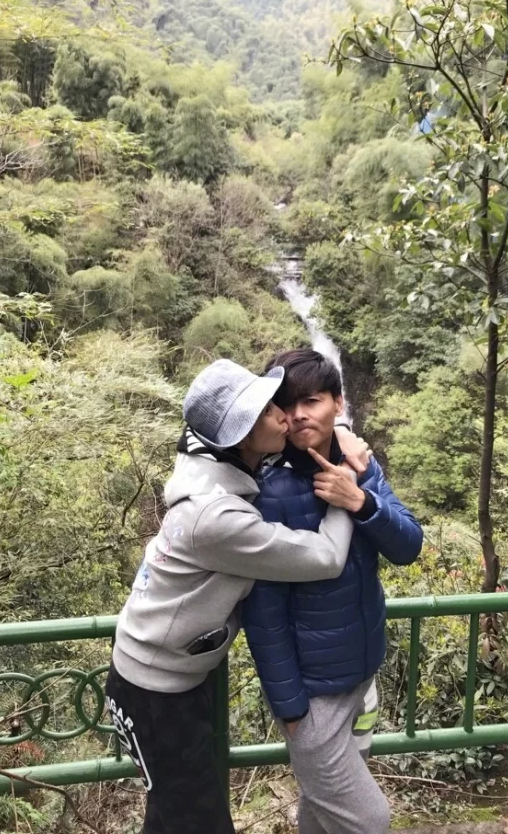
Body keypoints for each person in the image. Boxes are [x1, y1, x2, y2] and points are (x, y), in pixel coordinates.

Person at [105, 358, 370, 834]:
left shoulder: (211, 462)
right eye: (270, 410)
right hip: (155, 692)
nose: (286, 416)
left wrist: (342, 432)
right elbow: (328, 557)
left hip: (172, 675)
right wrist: (348, 487)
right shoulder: (218, 519)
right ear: (244, 434)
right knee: (199, 822)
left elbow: (312, 426)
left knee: (170, 817)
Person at [242, 349, 424, 834]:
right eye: (287, 404)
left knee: (322, 811)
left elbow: (409, 545)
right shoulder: (270, 491)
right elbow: (264, 612)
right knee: (369, 820)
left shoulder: (360, 464)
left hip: (363, 676)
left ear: (338, 404)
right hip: (313, 695)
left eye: (312, 401)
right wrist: (291, 709)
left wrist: (361, 501)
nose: (300, 414)